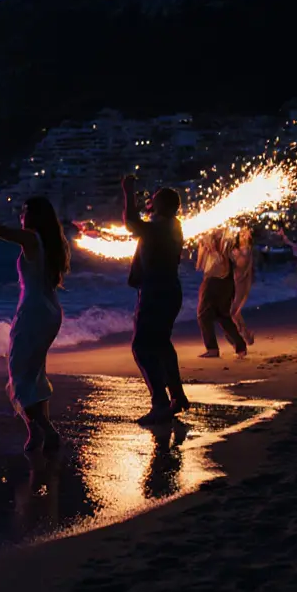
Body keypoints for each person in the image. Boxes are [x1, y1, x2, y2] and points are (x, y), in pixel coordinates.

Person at [0, 185, 69, 452]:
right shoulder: (54, 242)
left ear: (35, 216)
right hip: (50, 310)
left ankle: (46, 431)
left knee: (19, 374)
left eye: (25, 211)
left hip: (33, 312)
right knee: (34, 373)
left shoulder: (32, 239)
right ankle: (36, 434)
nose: (21, 215)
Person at [121, 176, 187, 424]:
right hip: (166, 290)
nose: (151, 199)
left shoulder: (165, 225)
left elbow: (131, 223)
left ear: (166, 206)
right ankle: (177, 396)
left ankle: (160, 402)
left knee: (142, 346)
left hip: (158, 291)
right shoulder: (168, 224)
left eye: (155, 199)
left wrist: (128, 192)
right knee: (161, 344)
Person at [195, 230, 247, 359]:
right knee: (222, 315)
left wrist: (207, 246)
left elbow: (204, 264)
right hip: (227, 282)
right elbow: (200, 265)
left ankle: (212, 348)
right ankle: (240, 346)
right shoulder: (226, 238)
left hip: (214, 280)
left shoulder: (217, 239)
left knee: (204, 315)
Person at [229, 227, 256, 344]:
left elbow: (249, 269)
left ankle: (241, 335)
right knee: (234, 312)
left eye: (244, 234)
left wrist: (248, 285)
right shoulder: (235, 249)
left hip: (241, 281)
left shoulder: (248, 250)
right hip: (233, 280)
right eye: (240, 235)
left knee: (233, 311)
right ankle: (245, 335)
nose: (242, 236)